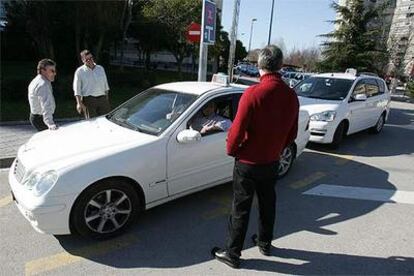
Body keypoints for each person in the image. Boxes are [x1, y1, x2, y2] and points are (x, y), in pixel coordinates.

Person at [213, 45, 299, 268]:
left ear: (260, 65)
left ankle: (233, 253)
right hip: (271, 162)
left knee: (240, 208)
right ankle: (264, 243)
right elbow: (292, 134)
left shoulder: (252, 94)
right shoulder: (291, 96)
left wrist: (233, 151)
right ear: (280, 66)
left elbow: (236, 131)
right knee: (268, 204)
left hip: (248, 163)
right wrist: (277, 150)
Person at [73, 49, 111, 118]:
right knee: (91, 122)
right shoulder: (79, 71)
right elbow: (77, 89)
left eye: (91, 58)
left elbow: (105, 85)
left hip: (102, 98)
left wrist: (106, 99)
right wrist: (79, 103)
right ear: (82, 60)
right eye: (87, 59)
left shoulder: (100, 68)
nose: (89, 60)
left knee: (106, 119)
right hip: (89, 100)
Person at [28, 59, 58, 131]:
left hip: (37, 117)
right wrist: (50, 123)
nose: (55, 73)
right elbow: (45, 105)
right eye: (52, 71)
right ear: (43, 70)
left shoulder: (38, 80)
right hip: (41, 119)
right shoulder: (43, 84)